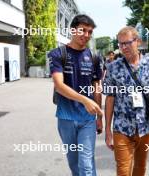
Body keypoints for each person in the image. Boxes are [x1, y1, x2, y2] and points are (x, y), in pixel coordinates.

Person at [103, 26, 149, 176]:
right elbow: (109, 99)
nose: (124, 47)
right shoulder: (113, 68)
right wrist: (107, 130)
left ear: (138, 42)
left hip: (145, 127)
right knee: (123, 171)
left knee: (140, 168)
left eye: (128, 43)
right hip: (121, 127)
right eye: (121, 44)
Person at [48, 14, 103, 176]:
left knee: (86, 163)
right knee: (74, 163)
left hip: (87, 119)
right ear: (73, 30)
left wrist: (99, 118)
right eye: (82, 30)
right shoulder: (58, 54)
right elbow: (59, 85)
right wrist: (84, 99)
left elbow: (96, 87)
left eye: (89, 32)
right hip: (66, 118)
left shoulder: (94, 57)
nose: (86, 35)